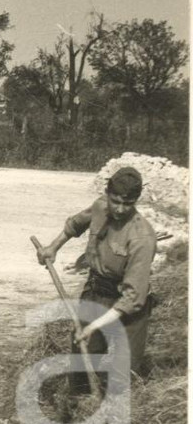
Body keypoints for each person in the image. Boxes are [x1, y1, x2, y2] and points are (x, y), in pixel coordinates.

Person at [35, 165, 157, 389]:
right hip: (96, 293)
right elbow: (75, 224)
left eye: (127, 204)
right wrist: (53, 247)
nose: (120, 209)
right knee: (82, 359)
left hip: (128, 308)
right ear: (107, 194)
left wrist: (94, 327)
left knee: (123, 373)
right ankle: (77, 407)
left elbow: (133, 297)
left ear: (136, 201)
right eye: (115, 201)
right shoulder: (101, 206)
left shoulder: (142, 237)